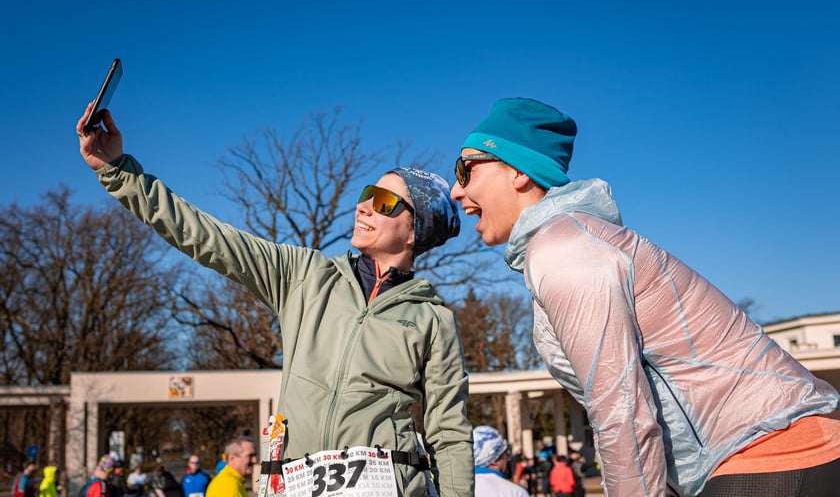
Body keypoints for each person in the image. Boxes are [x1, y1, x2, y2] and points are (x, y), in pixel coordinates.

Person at [450, 97, 840, 496]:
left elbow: (622, 408)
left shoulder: (563, 248)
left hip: (769, 455)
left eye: (465, 170)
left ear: (517, 172)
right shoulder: (569, 241)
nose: (455, 191)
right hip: (763, 455)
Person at [76, 105, 473, 497]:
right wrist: (118, 171)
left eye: (385, 202)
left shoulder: (432, 320)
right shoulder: (304, 275)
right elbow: (206, 235)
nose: (363, 206)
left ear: (414, 232)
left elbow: (450, 435)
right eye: (368, 194)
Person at [472, 426, 528, 497]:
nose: (508, 458)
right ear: (494, 459)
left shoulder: (459, 489)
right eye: (505, 453)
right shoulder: (515, 493)